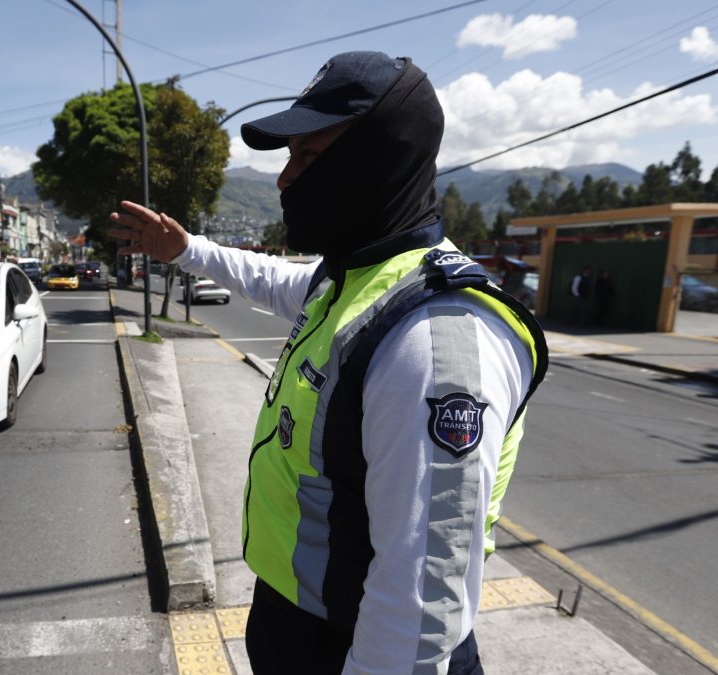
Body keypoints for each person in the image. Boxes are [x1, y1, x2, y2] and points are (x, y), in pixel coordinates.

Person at [110, 51, 547, 675]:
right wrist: (188, 250)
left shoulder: (434, 337)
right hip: (300, 623)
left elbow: (420, 608)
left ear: (379, 160)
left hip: (352, 646)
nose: (287, 179)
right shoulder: (351, 278)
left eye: (309, 157)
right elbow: (270, 279)